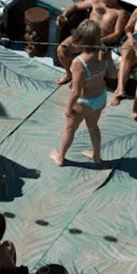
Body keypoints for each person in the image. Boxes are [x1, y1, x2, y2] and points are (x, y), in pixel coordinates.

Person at [50, 20, 110, 166]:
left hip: (84, 102)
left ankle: (60, 157)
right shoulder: (103, 52)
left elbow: (76, 91)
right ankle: (96, 157)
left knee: (70, 128)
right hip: (100, 98)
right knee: (93, 127)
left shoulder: (79, 62)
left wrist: (69, 108)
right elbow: (112, 74)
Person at [55, 0, 128, 85]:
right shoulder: (95, 2)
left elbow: (117, 34)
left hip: (99, 42)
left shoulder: (120, 12)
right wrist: (64, 15)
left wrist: (100, 41)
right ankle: (68, 73)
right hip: (84, 35)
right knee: (62, 49)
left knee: (89, 62)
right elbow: (75, 6)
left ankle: (77, 78)